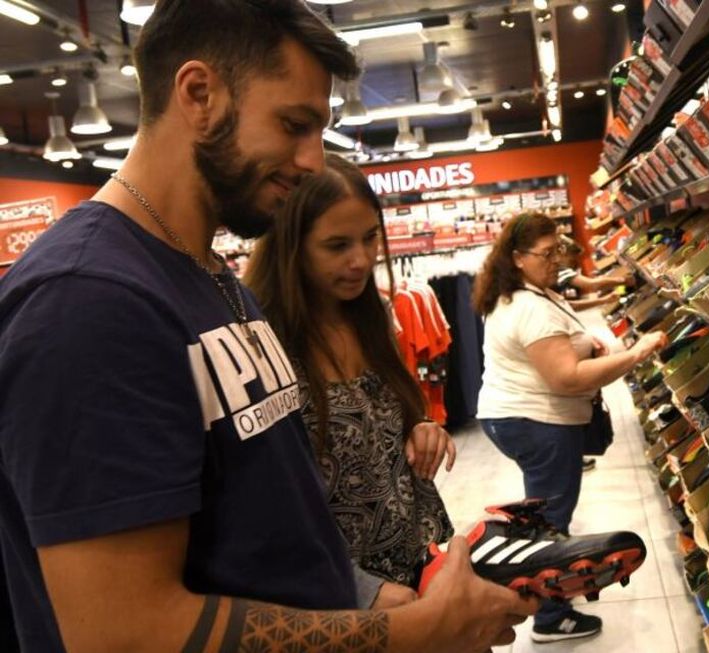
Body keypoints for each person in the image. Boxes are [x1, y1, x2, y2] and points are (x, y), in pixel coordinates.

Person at [0, 1, 535, 652]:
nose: (312, 160)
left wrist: (362, 596)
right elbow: (126, 633)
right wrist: (412, 633)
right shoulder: (88, 303)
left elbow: (266, 532)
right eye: (294, 124)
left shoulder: (209, 277)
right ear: (199, 94)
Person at [244, 158, 456, 599]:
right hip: (333, 597)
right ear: (292, 246)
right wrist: (363, 591)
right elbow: (263, 506)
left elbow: (381, 422)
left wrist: (420, 427)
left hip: (419, 565)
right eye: (336, 245)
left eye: (370, 237)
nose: (361, 260)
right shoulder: (260, 344)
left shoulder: (374, 316)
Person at [473, 212, 666, 643]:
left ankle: (550, 596)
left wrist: (584, 334)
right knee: (551, 521)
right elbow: (567, 378)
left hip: (515, 416)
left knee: (542, 513)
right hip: (538, 422)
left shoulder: (518, 293)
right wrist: (637, 353)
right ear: (518, 257)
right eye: (547, 253)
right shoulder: (528, 307)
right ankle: (550, 617)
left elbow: (558, 328)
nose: (557, 260)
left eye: (558, 249)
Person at [554, 235, 633, 311]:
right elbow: (592, 285)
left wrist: (605, 300)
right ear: (563, 253)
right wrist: (624, 280)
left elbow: (569, 306)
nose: (572, 265)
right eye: (571, 260)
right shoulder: (560, 270)